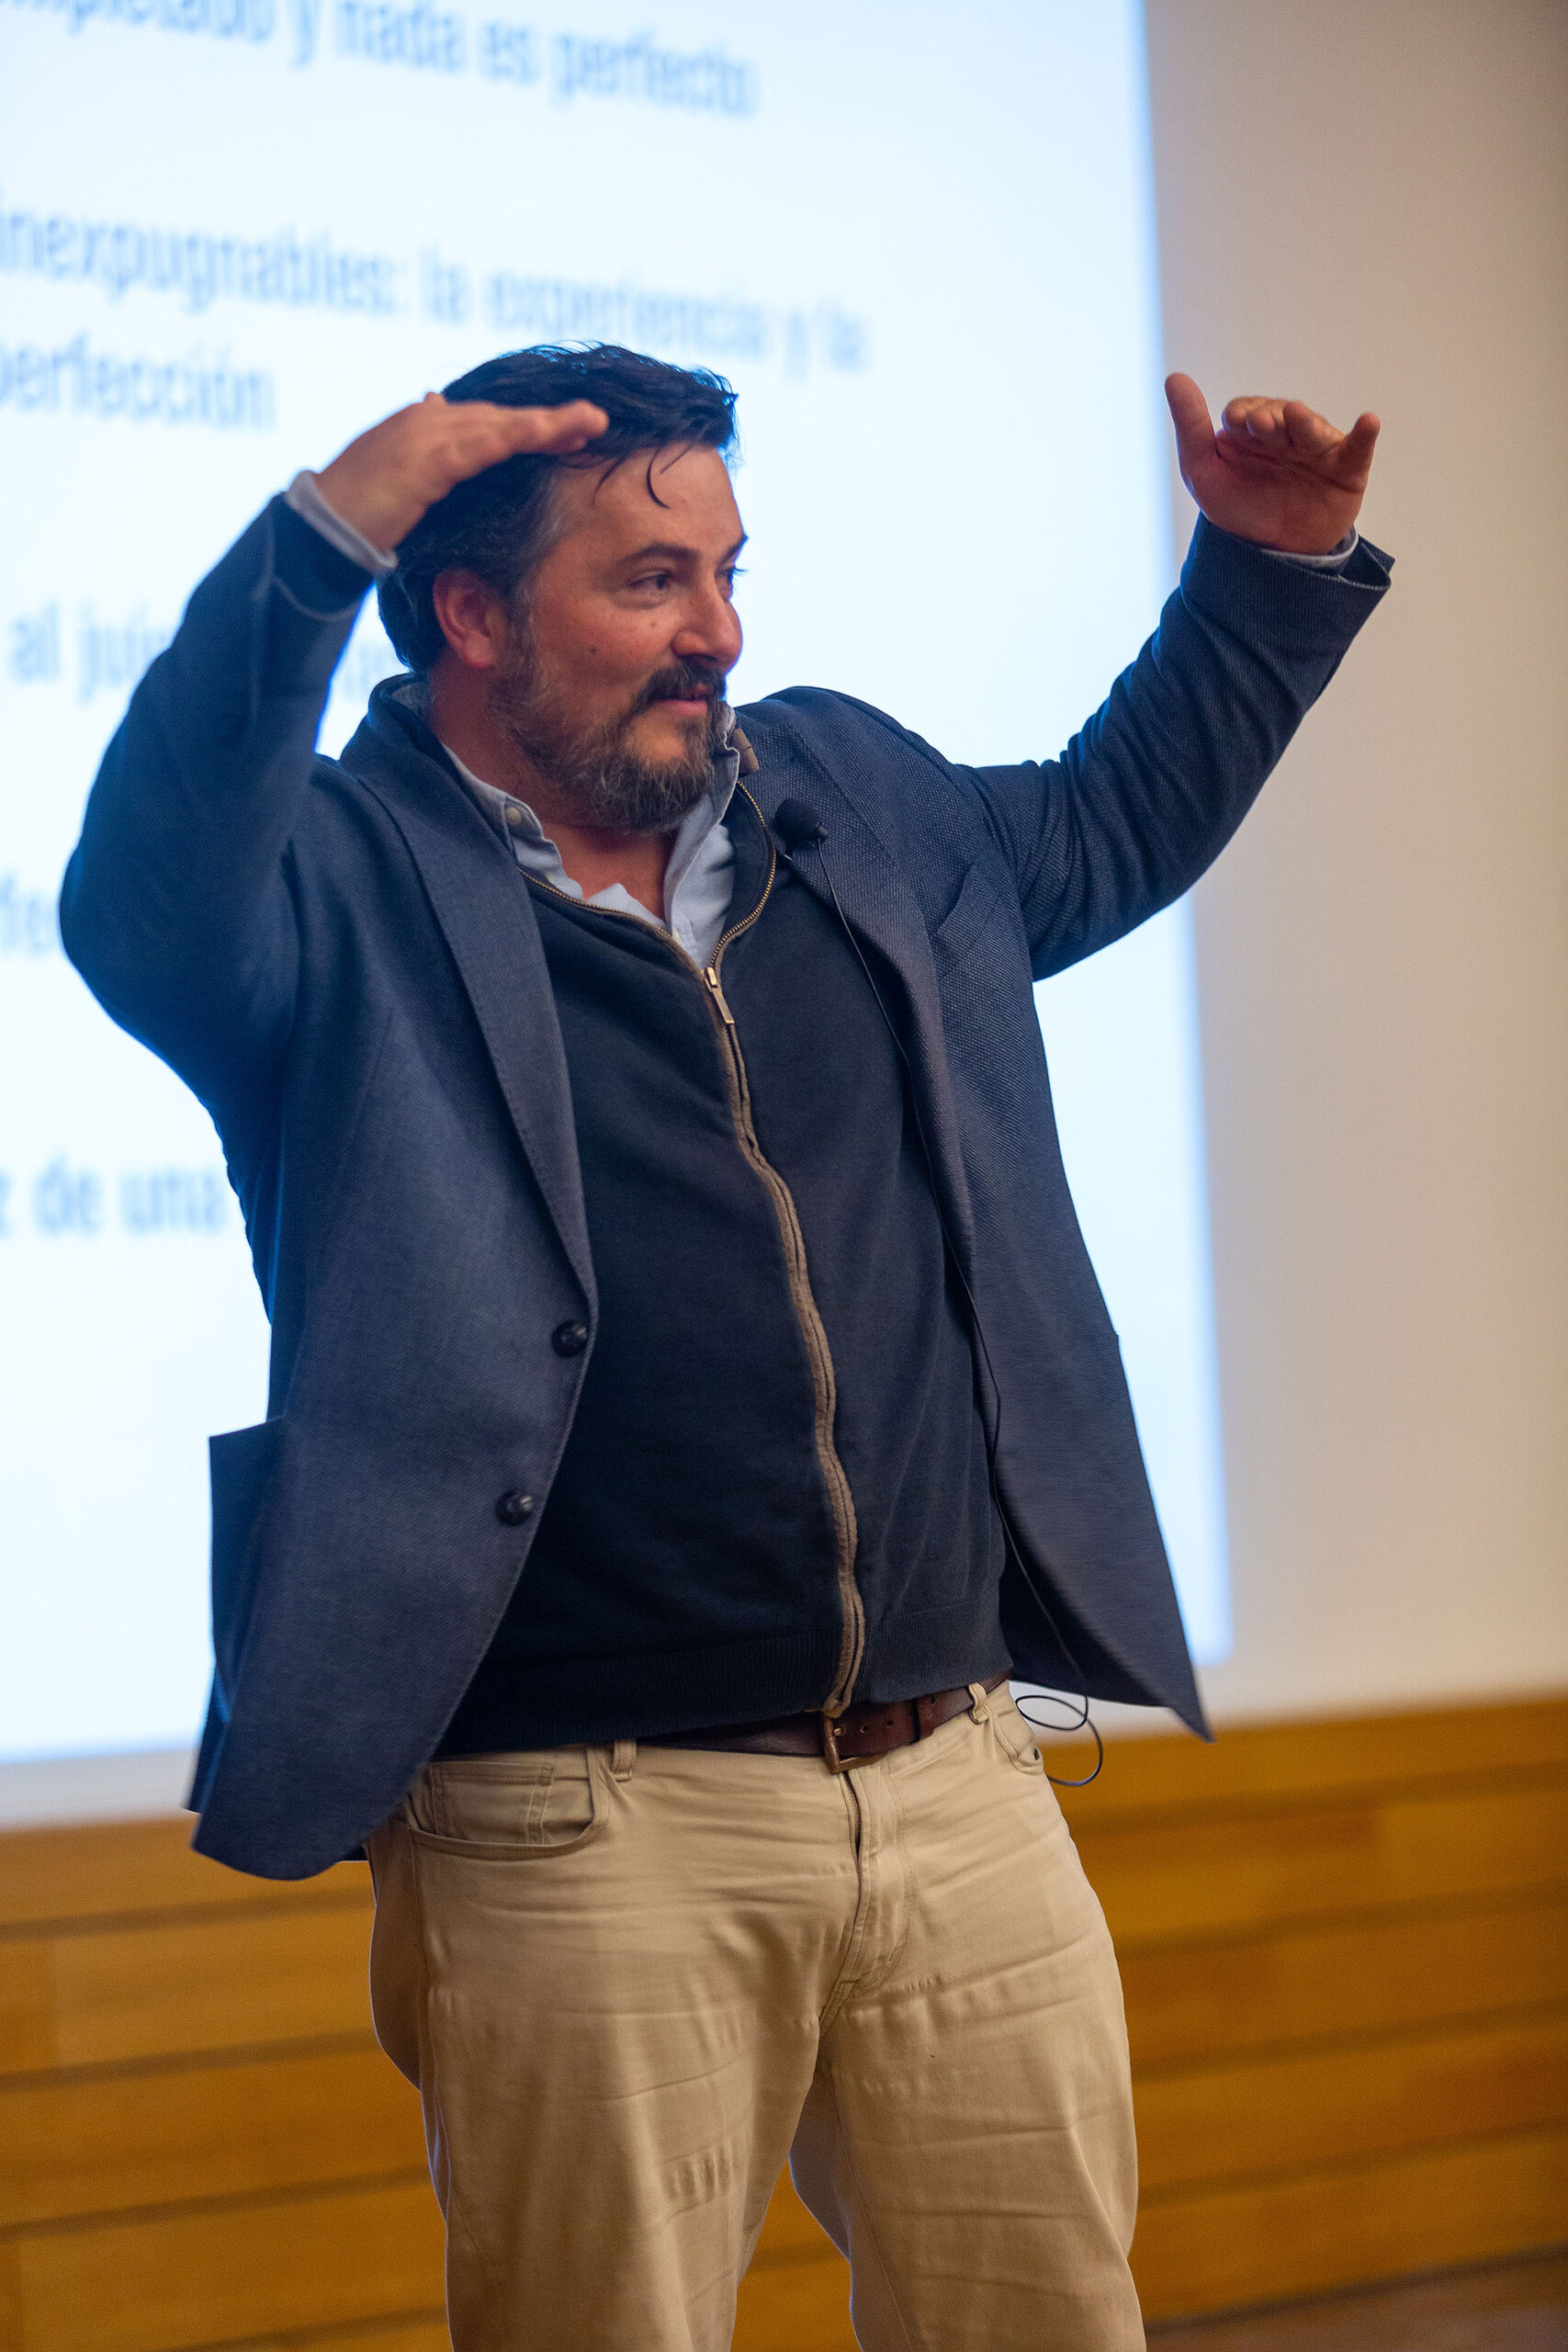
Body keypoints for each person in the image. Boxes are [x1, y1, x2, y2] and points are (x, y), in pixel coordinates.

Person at [62, 343, 1387, 2351]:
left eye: (725, 573)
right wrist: (322, 534)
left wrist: (1262, 576)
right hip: (580, 1823)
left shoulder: (841, 799)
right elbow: (141, 902)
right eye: (649, 583)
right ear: (470, 617)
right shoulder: (332, 880)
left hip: (955, 1781)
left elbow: (1107, 821)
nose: (719, 634)